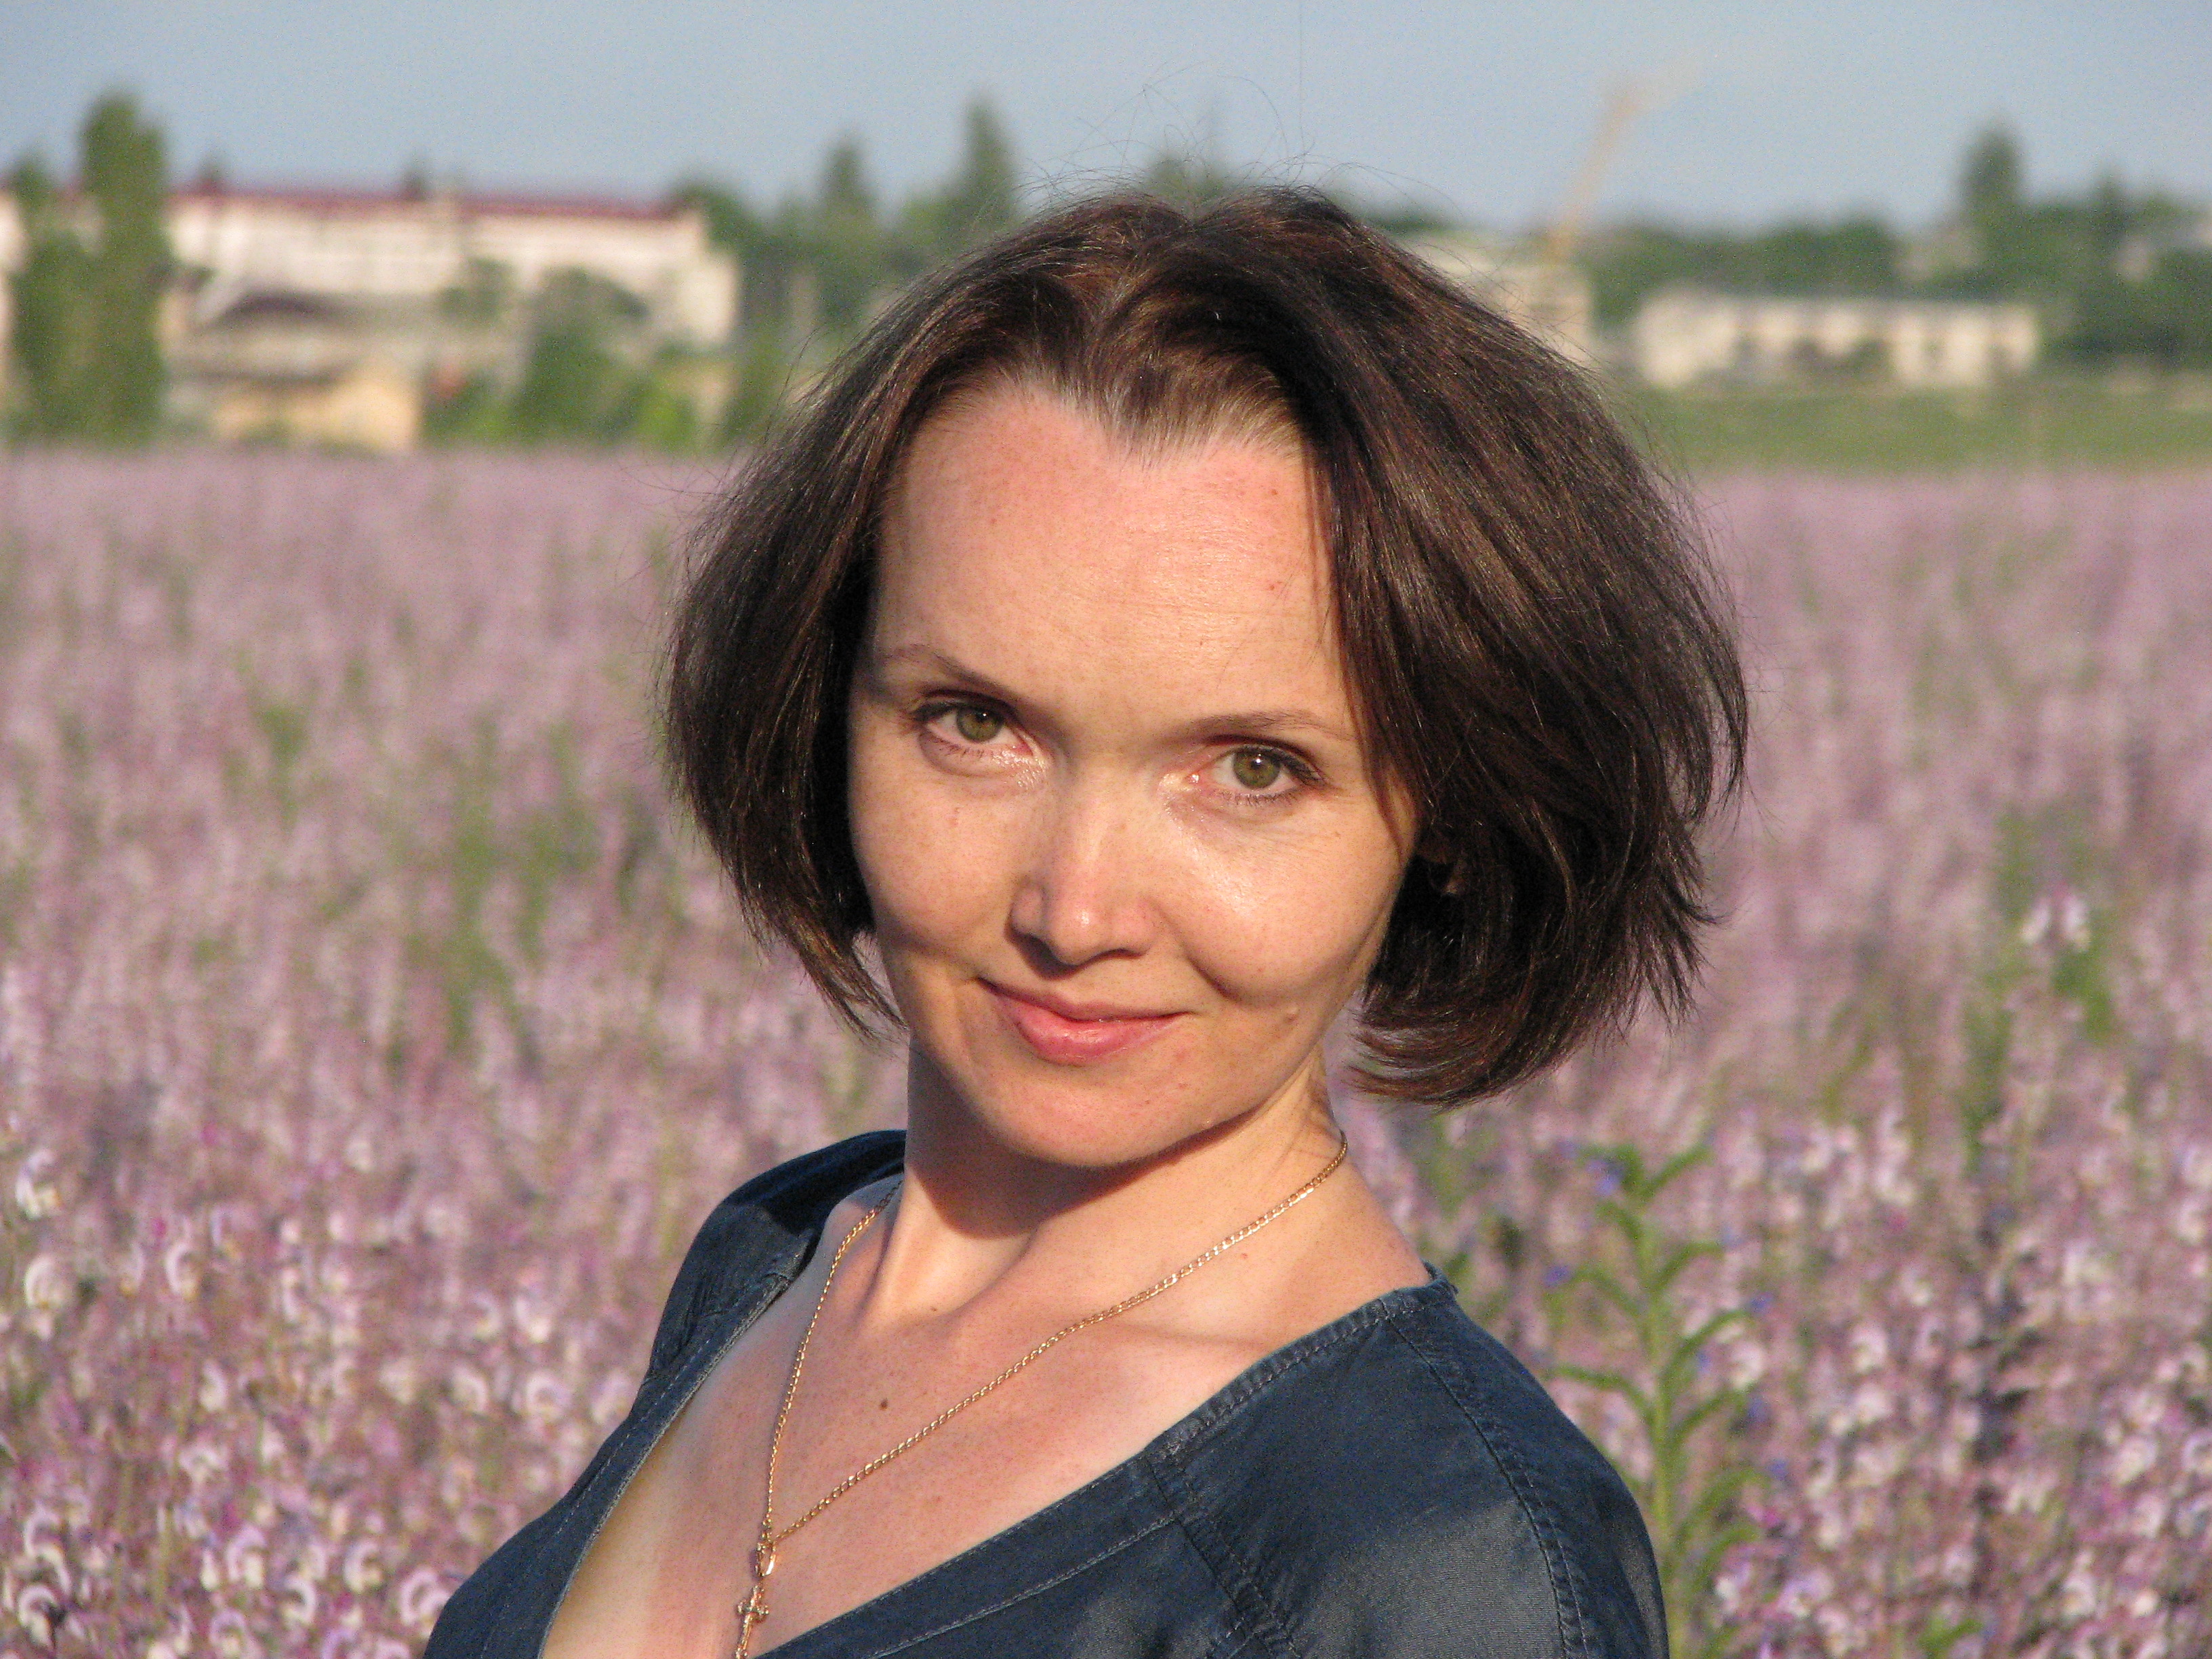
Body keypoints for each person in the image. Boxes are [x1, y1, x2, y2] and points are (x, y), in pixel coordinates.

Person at [424, 186, 1745, 1659]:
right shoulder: (777, 1260)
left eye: (1252, 770)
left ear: (1447, 811)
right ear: (829, 702)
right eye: (975, 724)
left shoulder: (1440, 1569)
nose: (1077, 909)